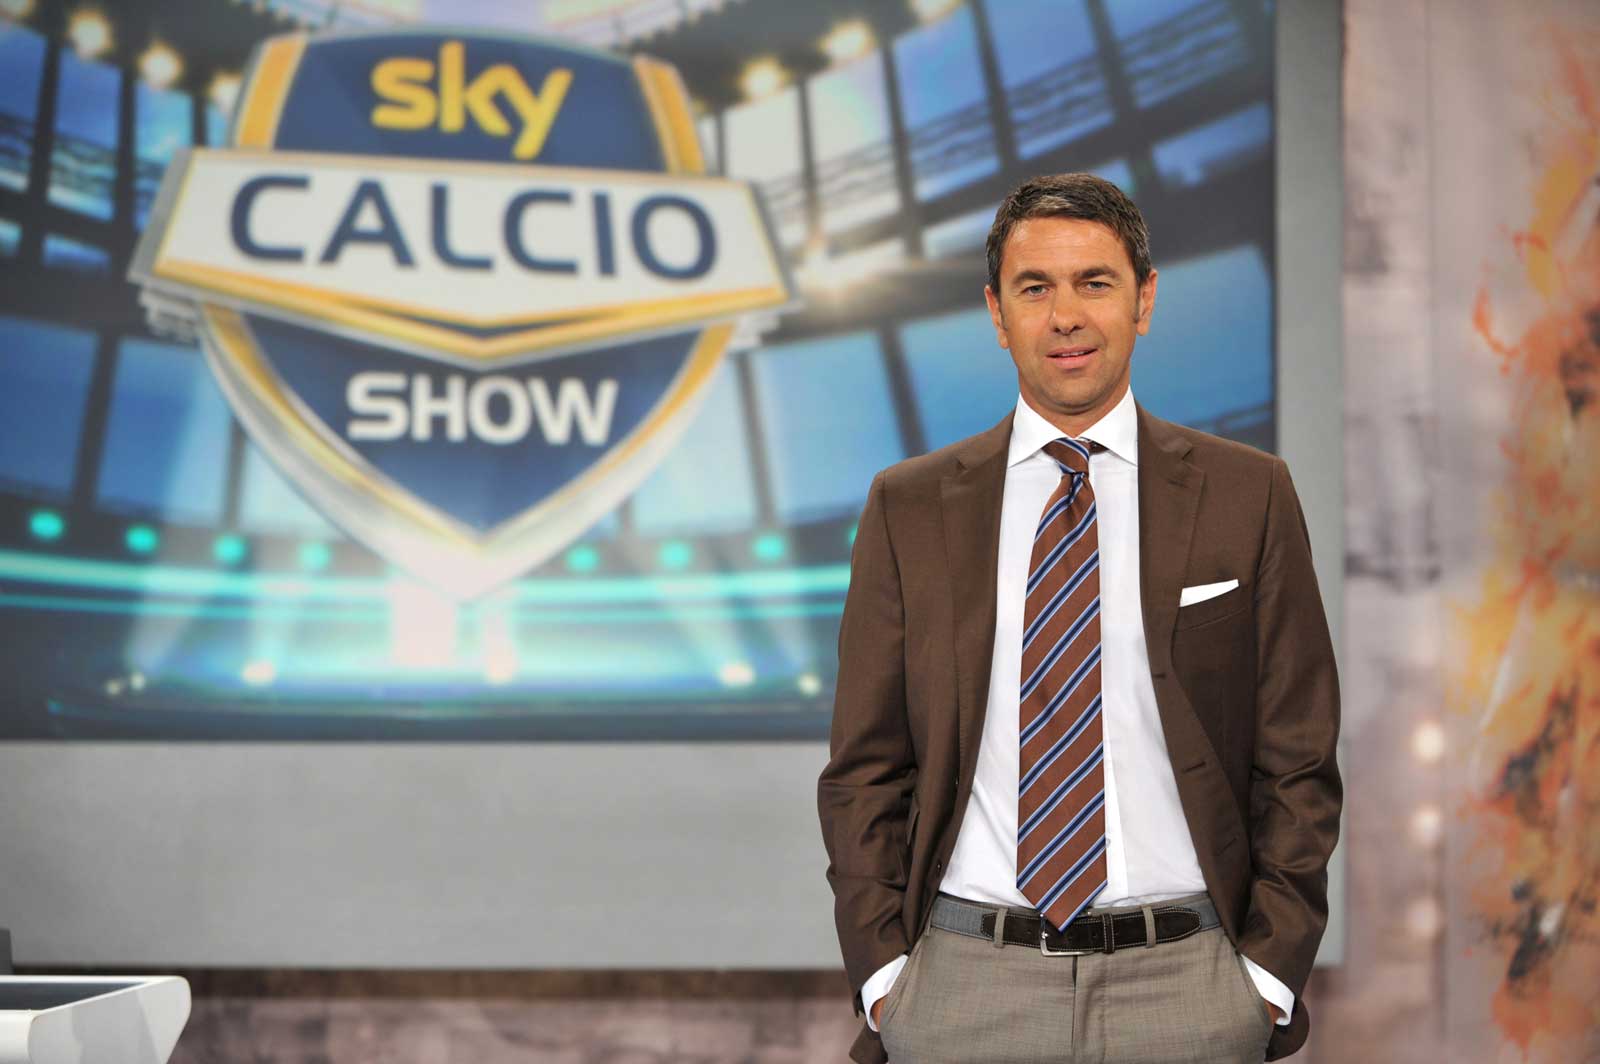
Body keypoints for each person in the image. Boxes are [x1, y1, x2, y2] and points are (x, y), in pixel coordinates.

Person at [817, 173, 1342, 1064]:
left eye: (1094, 283)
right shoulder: (908, 506)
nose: (1065, 316)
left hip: (1189, 986)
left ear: (1145, 300)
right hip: (962, 990)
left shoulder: (1247, 493)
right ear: (997, 313)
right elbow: (865, 768)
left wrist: (1263, 977)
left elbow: (1298, 754)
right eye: (1035, 288)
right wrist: (885, 979)